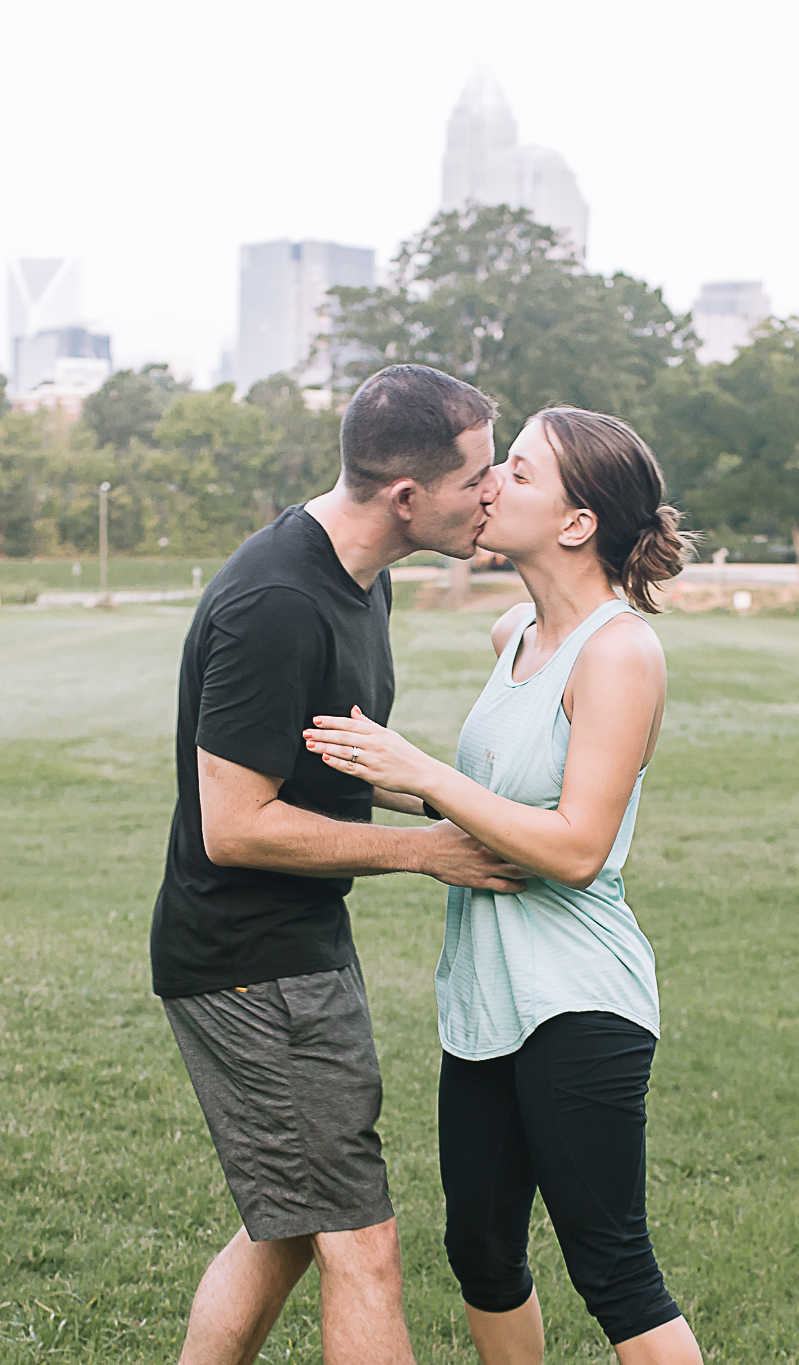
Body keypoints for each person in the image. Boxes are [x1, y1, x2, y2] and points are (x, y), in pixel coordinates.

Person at [305, 407, 706, 1364]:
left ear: (577, 523)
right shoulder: (512, 629)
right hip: (484, 999)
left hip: (578, 998)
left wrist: (423, 773)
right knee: (480, 1249)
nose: (490, 487)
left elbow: (574, 848)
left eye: (518, 475)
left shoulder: (619, 652)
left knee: (612, 1267)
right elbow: (495, 808)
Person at [151, 364, 528, 1365]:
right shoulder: (277, 599)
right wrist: (427, 853)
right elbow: (235, 825)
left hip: (296, 945)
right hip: (248, 960)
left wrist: (484, 809)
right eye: (477, 477)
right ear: (406, 499)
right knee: (362, 1246)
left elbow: (343, 764)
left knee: (286, 1228)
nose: (492, 493)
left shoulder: (361, 578)